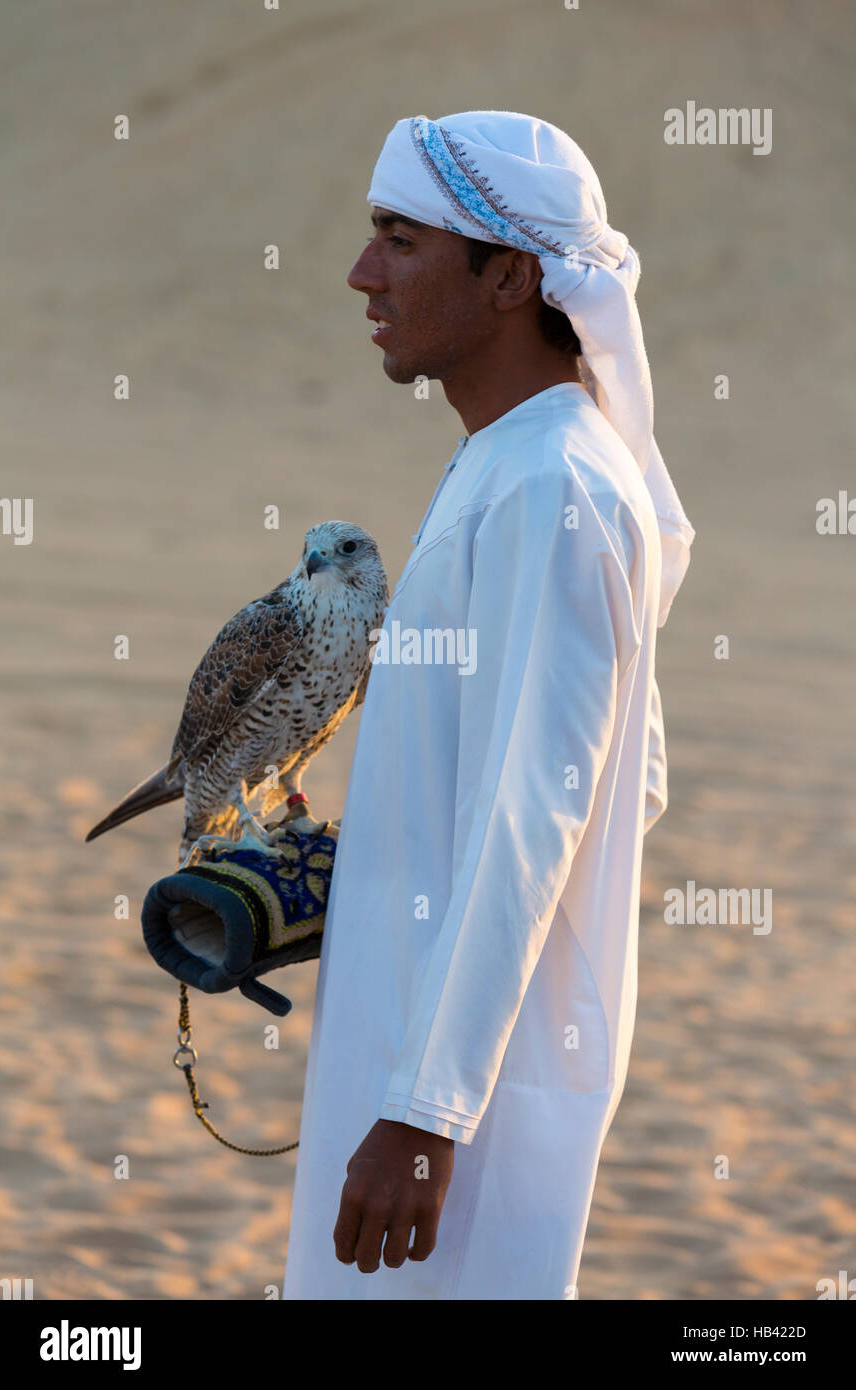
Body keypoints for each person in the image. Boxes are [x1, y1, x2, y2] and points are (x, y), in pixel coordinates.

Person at [281, 110, 694, 1300]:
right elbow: (630, 777)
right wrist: (365, 876)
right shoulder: (514, 458)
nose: (362, 274)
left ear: (509, 275)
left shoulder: (552, 485)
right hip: (427, 1051)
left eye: (399, 241)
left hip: (460, 1115)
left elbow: (535, 813)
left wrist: (424, 1109)